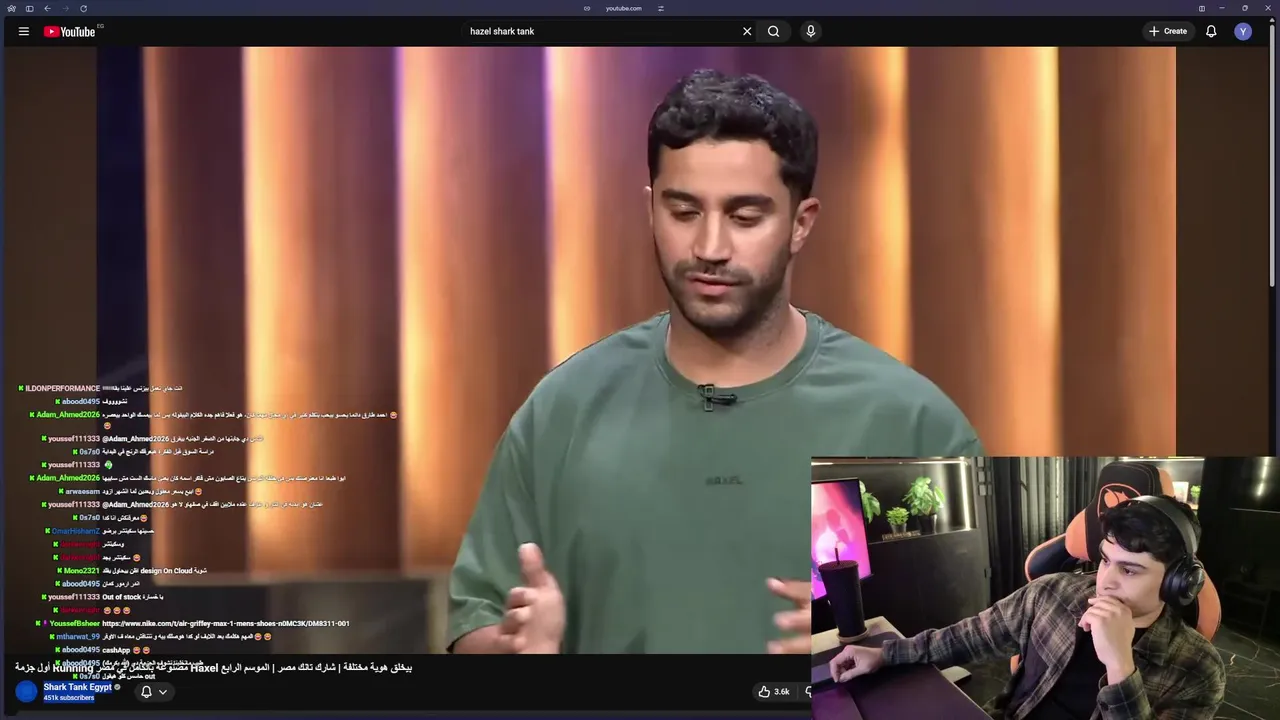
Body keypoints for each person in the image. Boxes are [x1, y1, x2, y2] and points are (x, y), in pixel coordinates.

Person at [447, 69, 982, 655]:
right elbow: (475, 622)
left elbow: (982, 657)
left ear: (801, 224)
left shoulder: (911, 425)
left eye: (745, 217)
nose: (710, 248)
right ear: (651, 209)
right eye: (683, 212)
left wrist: (872, 657)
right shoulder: (563, 411)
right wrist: (518, 654)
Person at [827, 497, 1225, 719]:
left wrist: (1121, 667)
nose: (1106, 581)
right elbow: (969, 637)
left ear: (1176, 581)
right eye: (1105, 560)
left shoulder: (1198, 670)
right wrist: (885, 654)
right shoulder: (1052, 593)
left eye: (1130, 570)